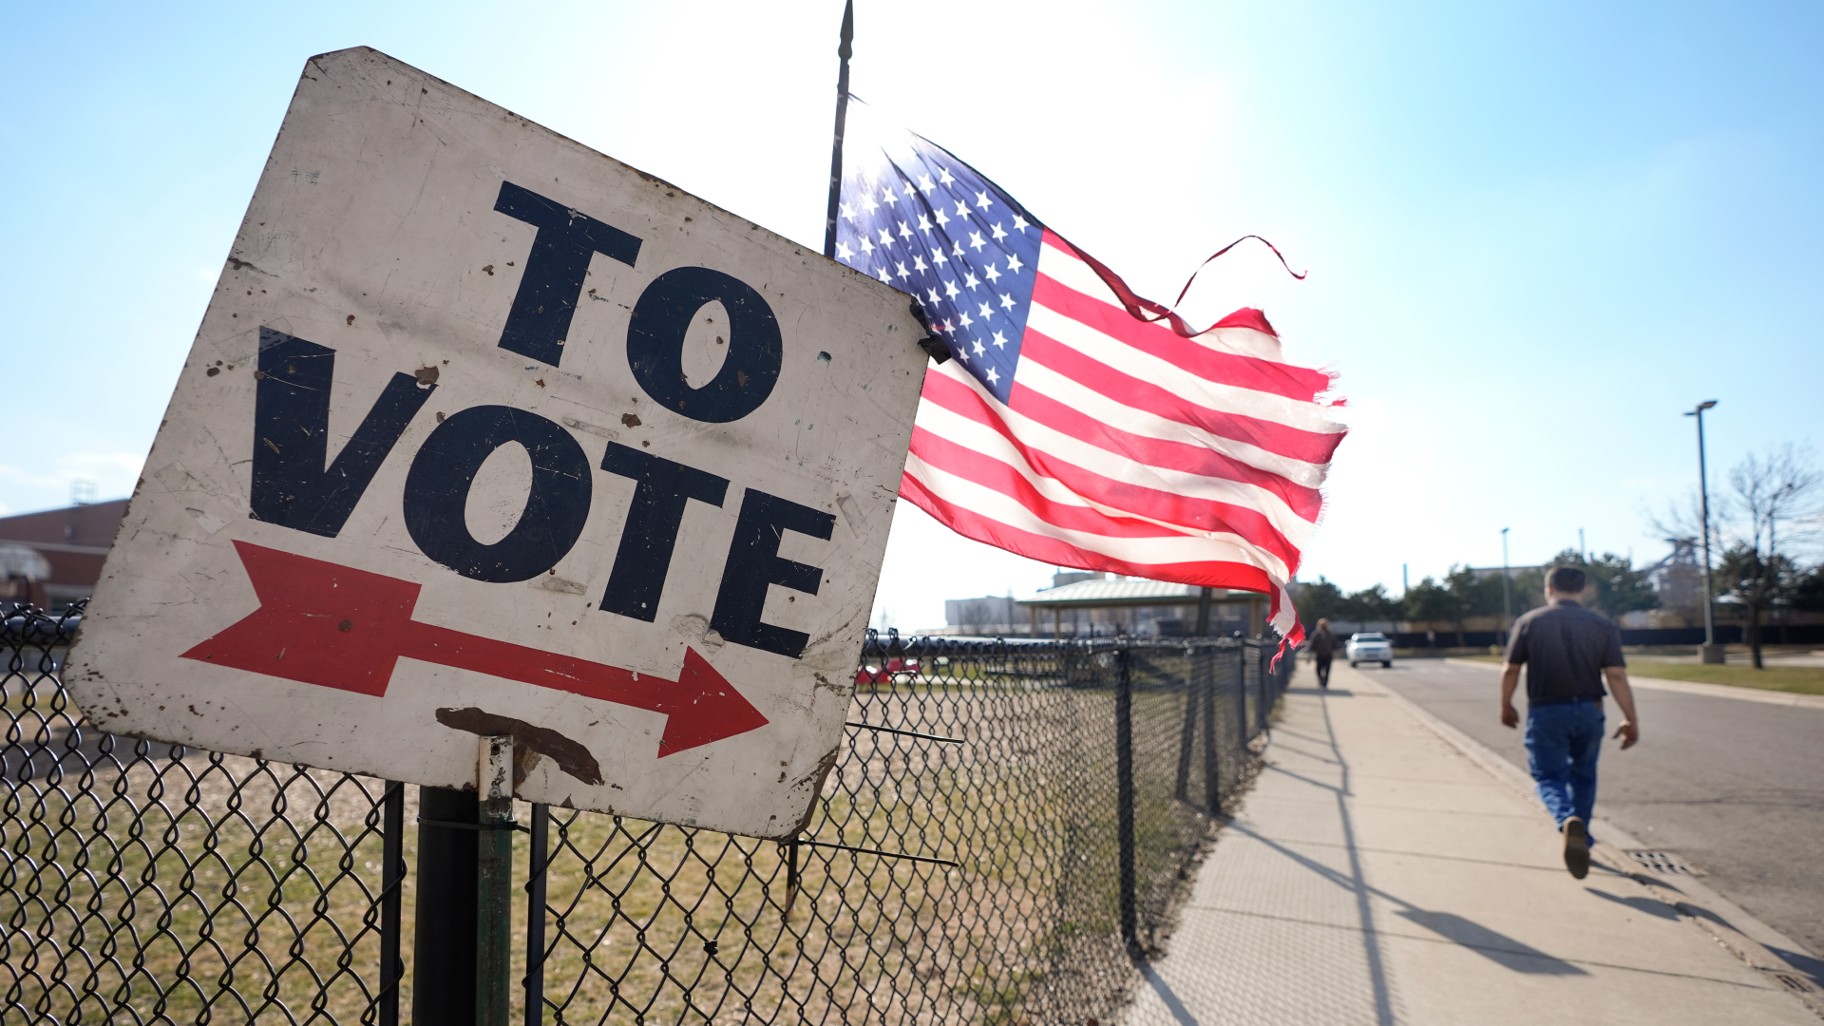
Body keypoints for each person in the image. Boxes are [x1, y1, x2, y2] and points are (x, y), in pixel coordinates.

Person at [1499, 566, 1640, 879]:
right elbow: (1615, 674)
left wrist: (1506, 704)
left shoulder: (1530, 622)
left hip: (1547, 711)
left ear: (1549, 588)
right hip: (1590, 710)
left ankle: (1566, 821)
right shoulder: (1601, 625)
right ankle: (1583, 837)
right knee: (1584, 776)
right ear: (1584, 590)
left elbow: (1511, 669)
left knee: (1547, 776)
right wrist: (1630, 717)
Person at [1309, 618, 1338, 689]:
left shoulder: (1330, 634)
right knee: (1318, 669)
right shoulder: (1316, 634)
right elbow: (1312, 645)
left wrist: (1335, 653)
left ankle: (1325, 683)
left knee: (1327, 670)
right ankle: (1321, 680)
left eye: (1324, 625)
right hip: (1319, 654)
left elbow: (1335, 645)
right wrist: (1310, 654)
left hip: (1328, 654)